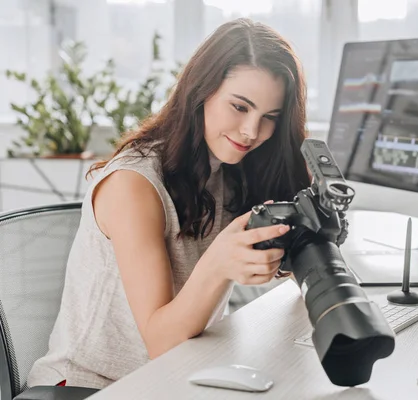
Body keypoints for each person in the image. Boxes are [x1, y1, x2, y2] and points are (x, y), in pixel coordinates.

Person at [27, 18, 311, 390]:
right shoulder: (133, 184)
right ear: (201, 91)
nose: (251, 131)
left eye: (270, 118)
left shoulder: (229, 169)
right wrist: (218, 264)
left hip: (179, 376)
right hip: (91, 386)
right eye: (240, 107)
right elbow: (159, 343)